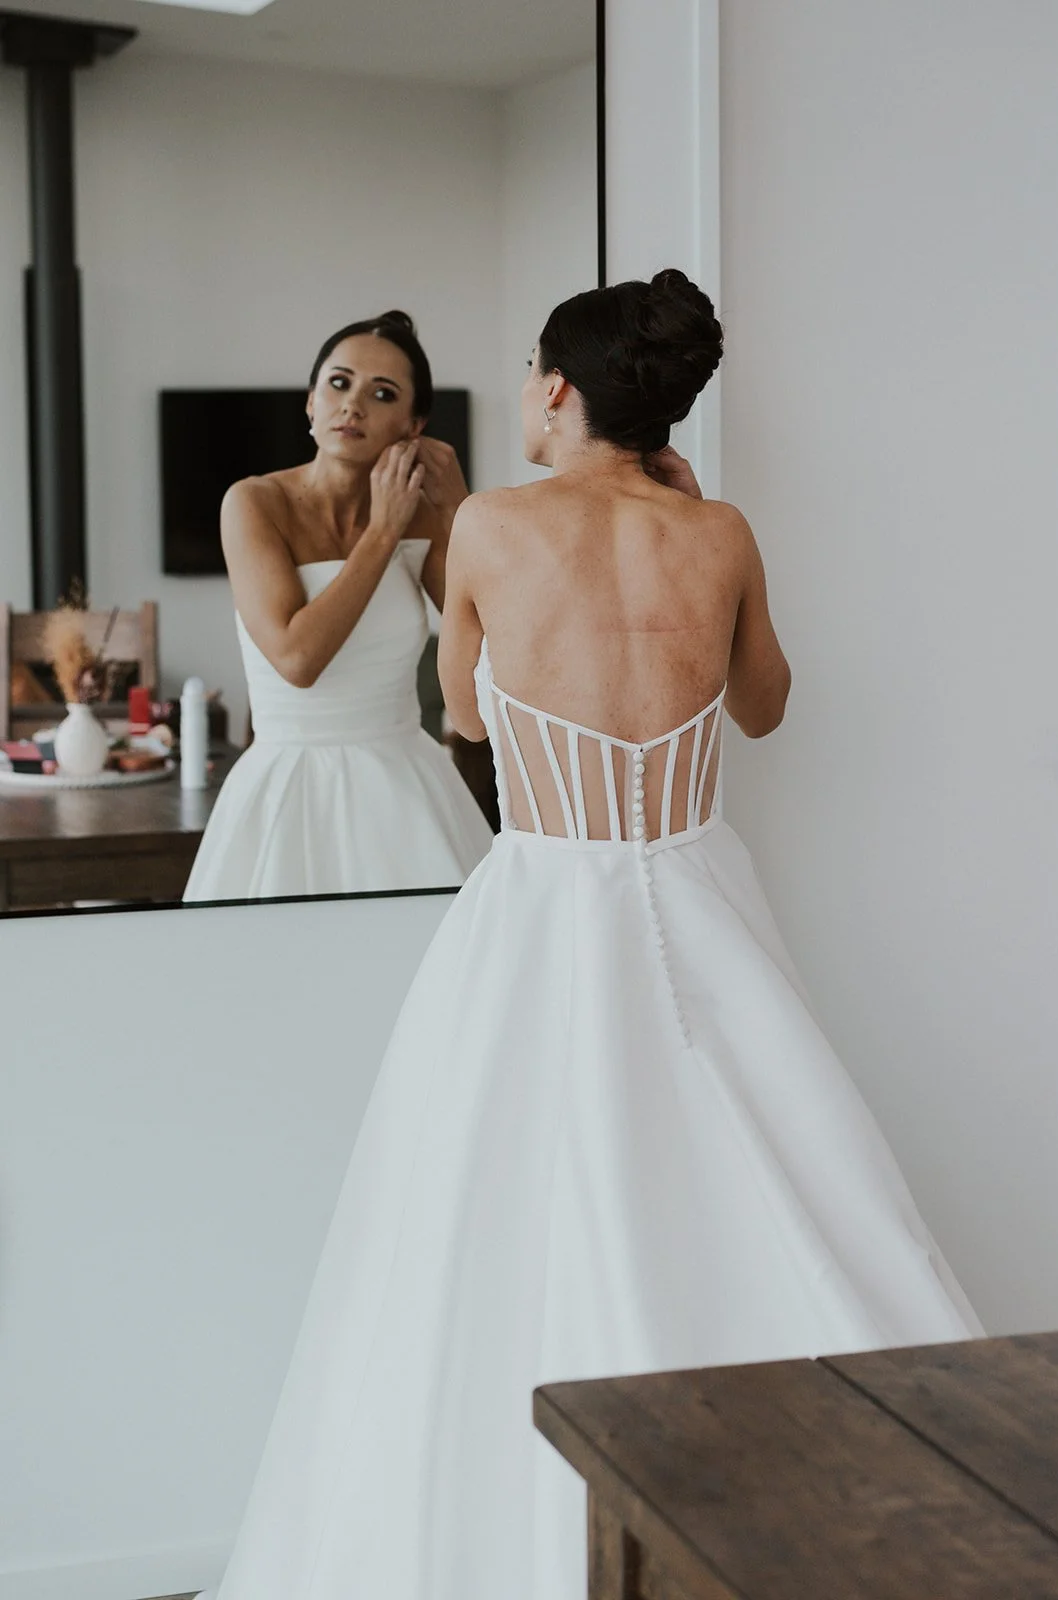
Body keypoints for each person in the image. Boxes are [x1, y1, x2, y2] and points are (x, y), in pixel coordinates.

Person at [199, 272, 981, 1600]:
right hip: (691, 890)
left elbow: (458, 714)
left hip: (547, 896)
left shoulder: (495, 529)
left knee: (485, 1198)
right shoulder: (716, 527)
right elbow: (763, 706)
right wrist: (682, 522)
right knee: (761, 1163)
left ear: (556, 389)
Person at [182, 312, 492, 902]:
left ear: (413, 425)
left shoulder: (423, 516)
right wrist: (382, 534)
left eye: (382, 394)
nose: (352, 405)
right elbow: (297, 660)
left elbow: (492, 645)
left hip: (407, 788)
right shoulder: (253, 503)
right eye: (338, 383)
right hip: (287, 787)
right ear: (310, 401)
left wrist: (460, 511)